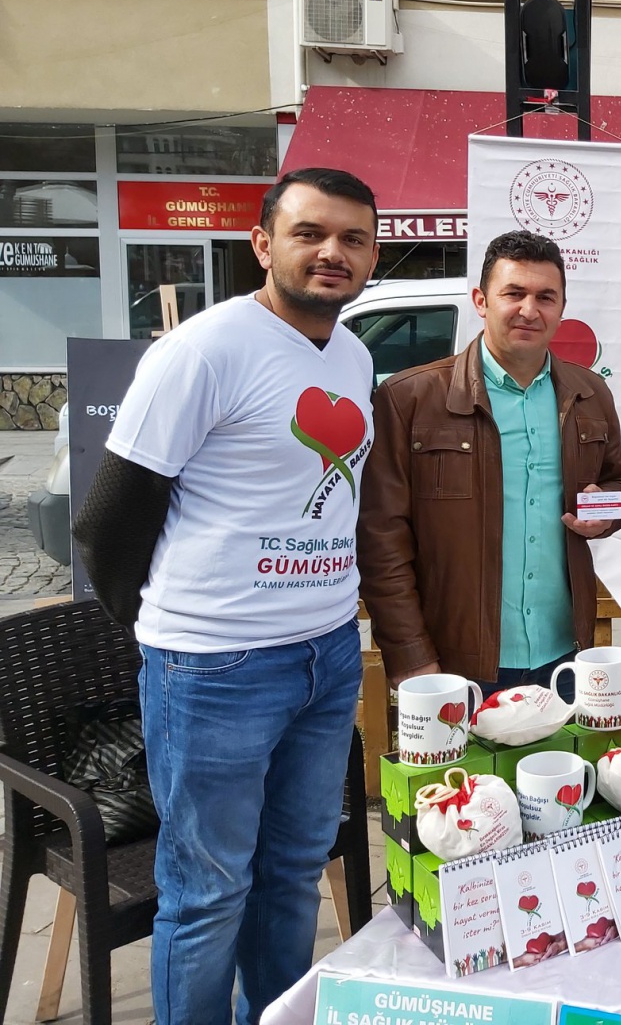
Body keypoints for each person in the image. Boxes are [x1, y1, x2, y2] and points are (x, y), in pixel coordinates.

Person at [71, 168, 382, 1024]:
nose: (331, 253)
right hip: (215, 670)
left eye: (353, 239)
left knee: (292, 872)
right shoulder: (202, 350)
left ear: (372, 256)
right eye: (310, 233)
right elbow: (107, 527)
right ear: (262, 244)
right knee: (208, 894)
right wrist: (171, 630)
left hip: (326, 657)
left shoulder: (352, 356)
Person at [358, 230, 621, 694]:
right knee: (456, 773)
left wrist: (601, 512)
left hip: (565, 655)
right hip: (454, 663)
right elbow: (380, 539)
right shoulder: (409, 399)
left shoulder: (589, 393)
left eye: (545, 297)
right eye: (514, 293)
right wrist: (410, 654)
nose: (530, 310)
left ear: (562, 309)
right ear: (481, 300)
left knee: (561, 769)